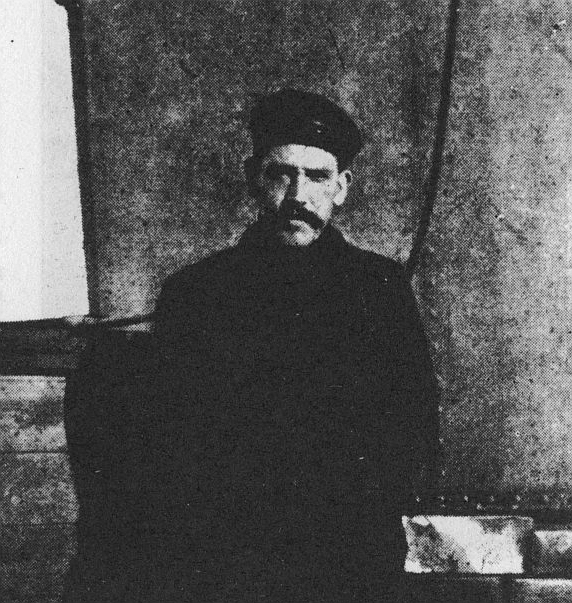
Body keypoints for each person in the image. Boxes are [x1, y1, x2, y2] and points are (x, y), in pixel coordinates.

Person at [64, 89, 439, 603]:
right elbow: (171, 441)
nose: (298, 195)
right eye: (281, 174)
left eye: (317, 177)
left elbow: (414, 423)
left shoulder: (380, 290)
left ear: (342, 188)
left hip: (346, 556)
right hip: (230, 561)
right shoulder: (197, 292)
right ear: (253, 179)